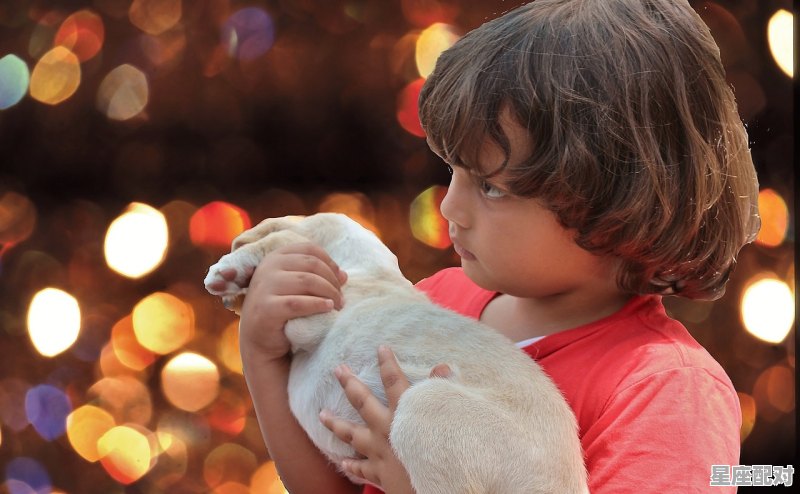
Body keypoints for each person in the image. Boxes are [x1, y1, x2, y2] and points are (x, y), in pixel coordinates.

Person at [237, 0, 760, 492]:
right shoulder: (437, 300)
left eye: (491, 186)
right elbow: (338, 479)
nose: (449, 209)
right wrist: (264, 353)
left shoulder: (666, 391)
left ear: (616, 195)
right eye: (454, 172)